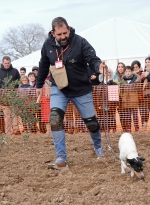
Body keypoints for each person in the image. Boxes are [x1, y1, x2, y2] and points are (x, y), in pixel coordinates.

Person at [36, 17, 107, 169]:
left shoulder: (80, 42)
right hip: (59, 89)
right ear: (53, 33)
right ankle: (61, 158)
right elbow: (43, 65)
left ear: (69, 29)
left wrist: (98, 67)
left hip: (81, 89)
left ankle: (98, 146)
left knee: (91, 123)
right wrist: (39, 85)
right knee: (55, 118)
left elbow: (92, 58)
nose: (63, 37)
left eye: (64, 33)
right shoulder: (47, 45)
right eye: (59, 34)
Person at [0, 56, 21, 135]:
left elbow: (18, 81)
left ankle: (16, 130)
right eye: (5, 63)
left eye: (8, 63)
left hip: (13, 95)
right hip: (3, 96)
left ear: (10, 62)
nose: (7, 65)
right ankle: (8, 131)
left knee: (15, 113)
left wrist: (14, 90)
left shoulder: (15, 71)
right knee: (6, 115)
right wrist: (0, 91)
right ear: (3, 63)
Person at [119, 66, 140, 132]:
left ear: (132, 72)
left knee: (135, 115)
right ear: (124, 72)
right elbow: (121, 91)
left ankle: (136, 127)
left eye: (129, 71)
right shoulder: (122, 81)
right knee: (127, 115)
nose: (128, 73)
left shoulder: (136, 80)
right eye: (126, 71)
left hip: (134, 99)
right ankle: (128, 128)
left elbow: (139, 89)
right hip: (125, 100)